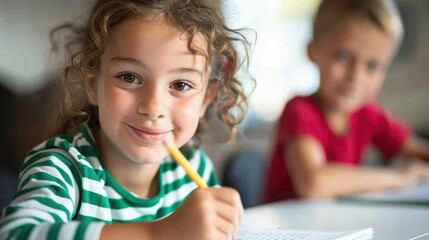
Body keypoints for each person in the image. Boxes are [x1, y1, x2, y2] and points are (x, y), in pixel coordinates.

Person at [0, 0, 253, 239]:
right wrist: (159, 234)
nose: (153, 107)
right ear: (92, 82)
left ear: (206, 98)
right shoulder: (63, 169)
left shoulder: (195, 169)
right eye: (129, 77)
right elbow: (15, 234)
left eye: (180, 84)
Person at [264, 0, 429, 203]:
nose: (356, 76)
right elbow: (313, 183)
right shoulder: (299, 111)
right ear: (313, 51)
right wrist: (397, 177)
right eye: (343, 57)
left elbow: (417, 150)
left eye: (372, 66)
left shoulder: (368, 114)